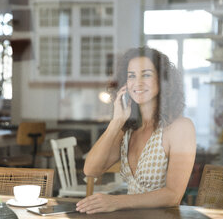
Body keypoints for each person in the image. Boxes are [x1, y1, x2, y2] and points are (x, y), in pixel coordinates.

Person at [76, 47, 196, 214]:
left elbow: (173, 196)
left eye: (146, 74)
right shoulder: (128, 129)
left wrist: (116, 202)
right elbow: (91, 170)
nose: (137, 82)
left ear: (162, 80)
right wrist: (116, 121)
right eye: (131, 76)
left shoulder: (180, 127)